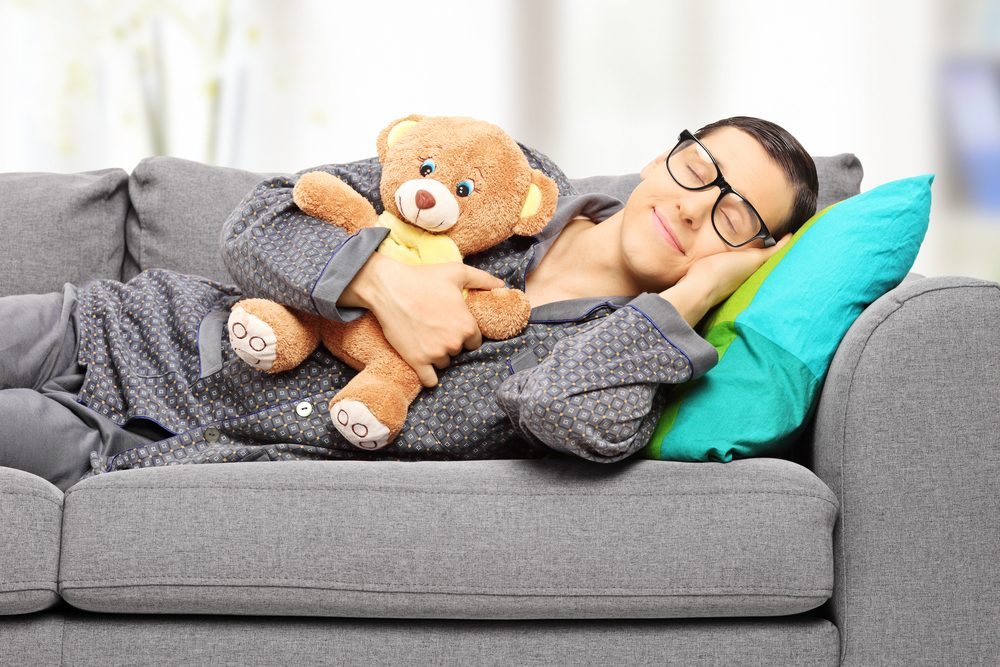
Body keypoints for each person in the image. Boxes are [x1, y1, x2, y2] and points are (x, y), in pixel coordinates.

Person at [0, 116, 818, 492]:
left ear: (750, 255)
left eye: (735, 213)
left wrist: (688, 300)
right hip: (125, 334)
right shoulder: (506, 175)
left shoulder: (631, 357)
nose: (693, 206)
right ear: (662, 157)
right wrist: (391, 285)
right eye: (699, 169)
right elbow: (264, 218)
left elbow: (558, 414)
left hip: (152, 455)